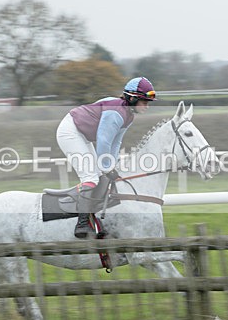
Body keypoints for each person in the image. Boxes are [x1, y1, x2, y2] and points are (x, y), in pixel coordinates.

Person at [56, 76, 157, 238]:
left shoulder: (129, 115)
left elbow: (116, 142)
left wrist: (111, 165)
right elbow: (104, 141)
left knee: (99, 174)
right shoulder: (116, 112)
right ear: (132, 98)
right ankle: (81, 224)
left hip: (82, 134)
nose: (147, 106)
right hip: (70, 132)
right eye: (144, 102)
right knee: (91, 177)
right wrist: (106, 167)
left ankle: (91, 220)